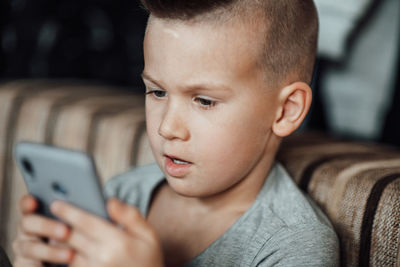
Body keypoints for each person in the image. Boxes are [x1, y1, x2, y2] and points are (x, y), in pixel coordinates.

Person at [12, 0, 340, 266]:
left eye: (204, 100)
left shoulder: (293, 245)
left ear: (286, 110)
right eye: (157, 92)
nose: (166, 127)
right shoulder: (126, 194)